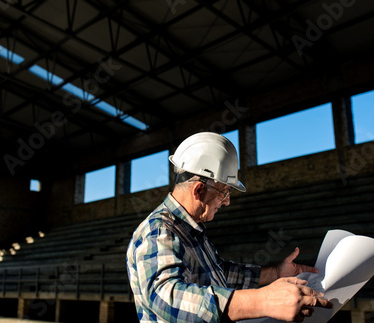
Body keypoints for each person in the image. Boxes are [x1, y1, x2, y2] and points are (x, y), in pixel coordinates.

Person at [126, 132, 332, 322]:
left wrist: (276, 273)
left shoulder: (191, 230)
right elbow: (166, 298)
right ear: (198, 190)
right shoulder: (159, 231)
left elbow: (219, 272)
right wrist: (261, 301)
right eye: (224, 192)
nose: (226, 202)